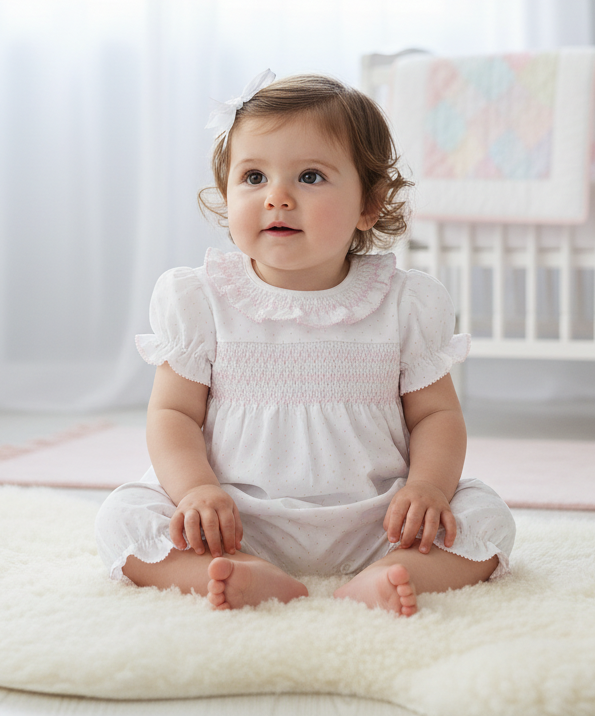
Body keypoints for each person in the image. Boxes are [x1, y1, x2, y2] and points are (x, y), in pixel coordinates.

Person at [95, 69, 516, 615]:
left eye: (311, 177)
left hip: (379, 519)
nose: (277, 198)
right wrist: (197, 490)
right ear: (226, 193)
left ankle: (394, 571)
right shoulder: (200, 300)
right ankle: (241, 572)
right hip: (236, 521)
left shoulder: (404, 302)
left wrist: (428, 489)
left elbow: (436, 415)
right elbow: (172, 412)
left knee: (486, 515)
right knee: (123, 516)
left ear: (369, 203)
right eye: (252, 177)